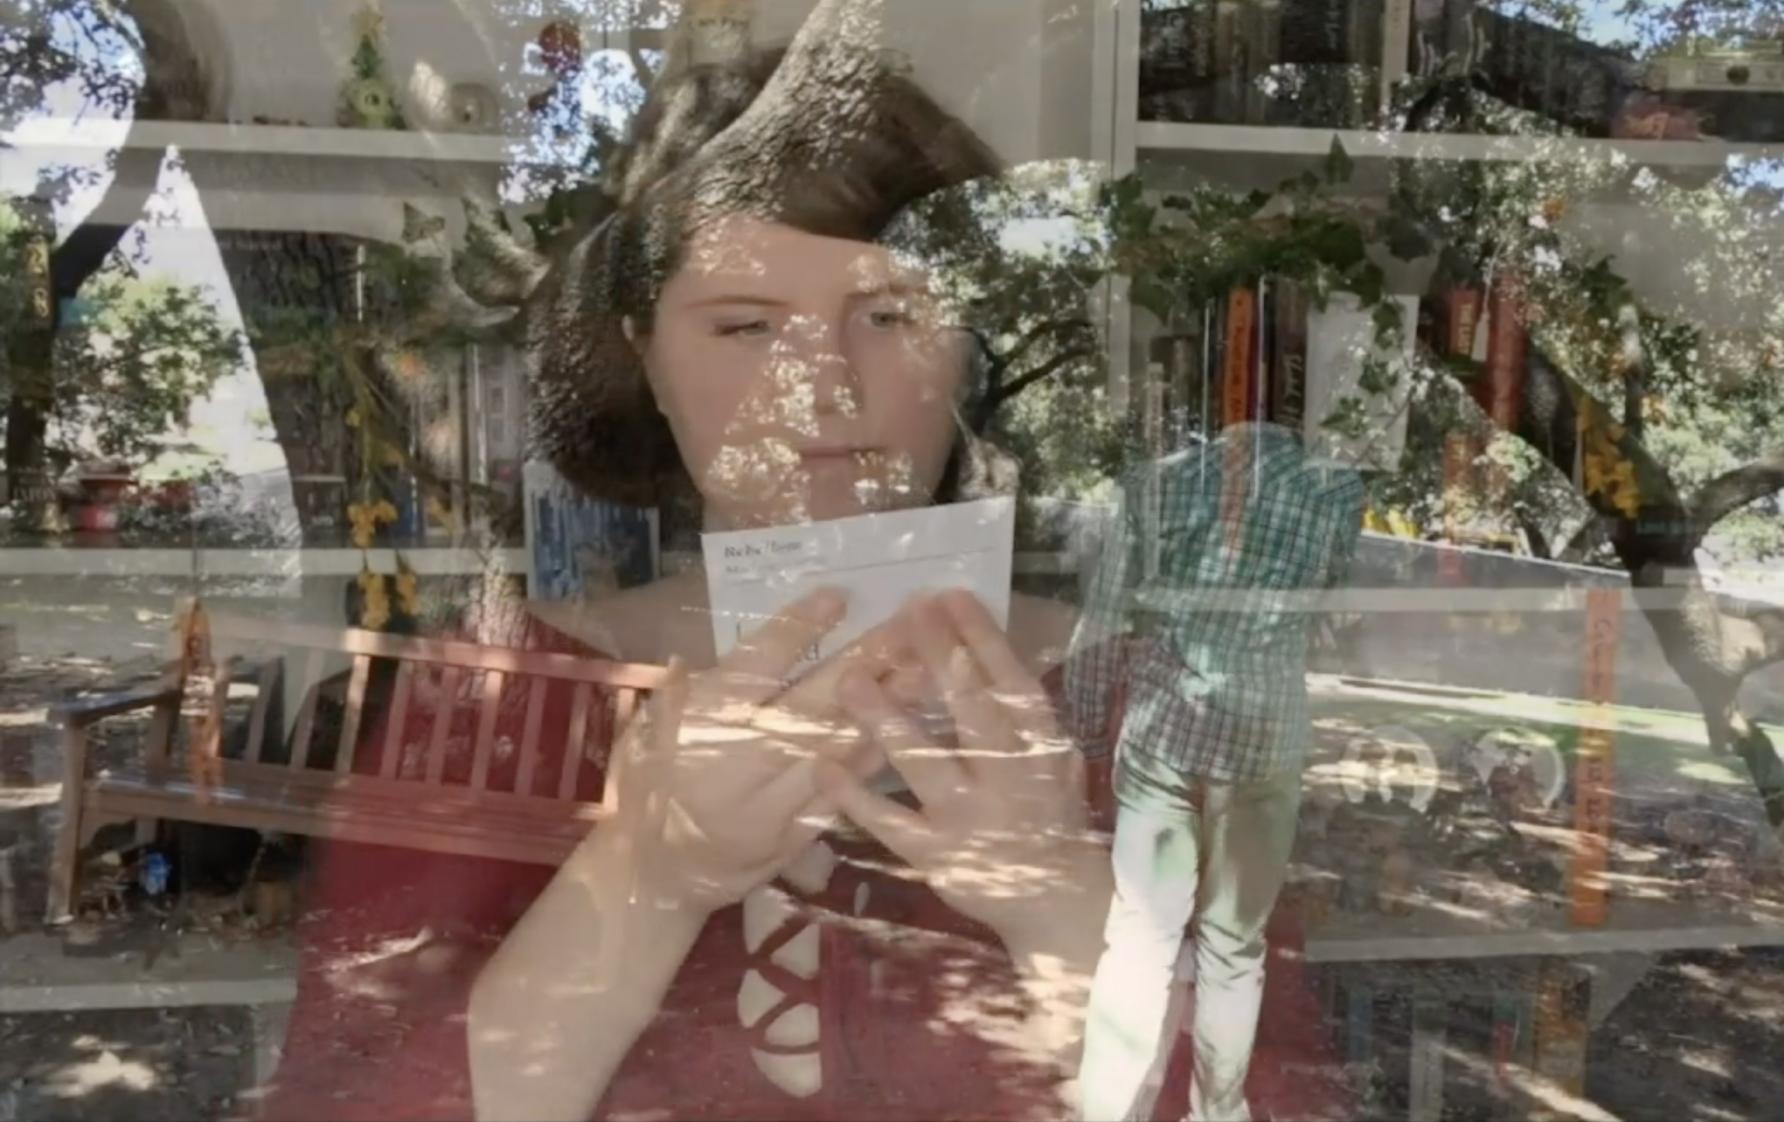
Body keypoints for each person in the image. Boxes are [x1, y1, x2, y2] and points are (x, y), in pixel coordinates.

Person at [254, 11, 1103, 1121]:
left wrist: (1063, 909)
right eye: (746, 328)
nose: (826, 391)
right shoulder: (497, 699)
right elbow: (343, 1097)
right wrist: (642, 878)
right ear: (640, 360)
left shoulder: (1118, 700)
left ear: (969, 349)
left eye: (889, 314)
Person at [1068, 421, 1367, 1122]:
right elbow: (1333, 614)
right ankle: (1218, 1113)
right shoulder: (1336, 492)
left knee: (1139, 940)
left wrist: (1084, 733)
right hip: (1266, 733)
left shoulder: (1156, 482)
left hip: (1163, 732)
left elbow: (1105, 619)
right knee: (1234, 951)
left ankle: (1103, 1113)